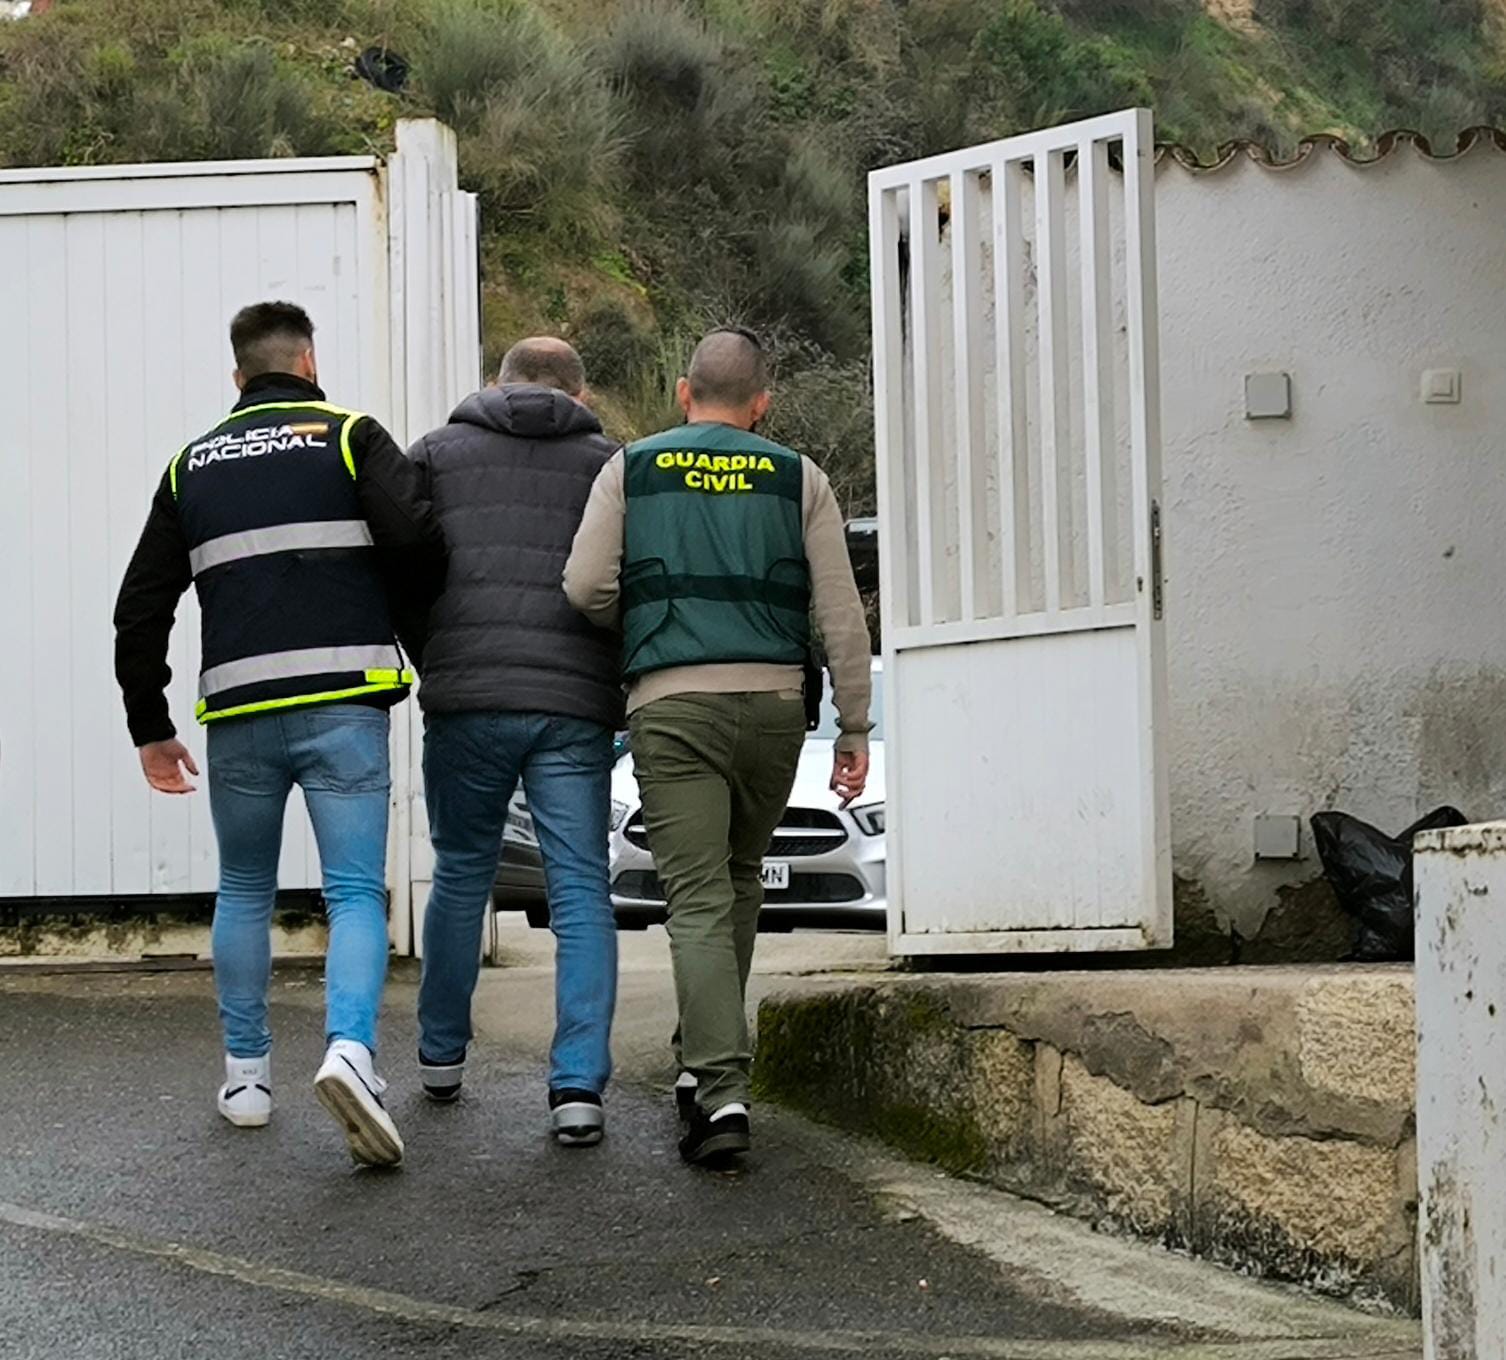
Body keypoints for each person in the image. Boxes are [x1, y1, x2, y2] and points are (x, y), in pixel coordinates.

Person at [112, 301, 443, 1168]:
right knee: (355, 892)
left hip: (241, 715)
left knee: (246, 890)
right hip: (344, 702)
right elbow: (417, 543)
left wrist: (151, 724)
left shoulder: (192, 465)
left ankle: (248, 1077)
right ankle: (352, 1055)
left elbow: (140, 605)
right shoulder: (351, 435)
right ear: (308, 361)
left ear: (238, 377)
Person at [564, 328, 872, 1165]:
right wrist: (853, 726)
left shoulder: (632, 468)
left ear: (681, 391)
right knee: (737, 885)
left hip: (673, 705)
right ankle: (703, 1072)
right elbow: (841, 614)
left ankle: (721, 1092)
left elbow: (585, 585)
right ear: (762, 404)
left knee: (696, 897)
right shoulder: (797, 476)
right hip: (775, 708)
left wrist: (650, 623)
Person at [409, 337, 622, 1147]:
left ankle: (439, 1058)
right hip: (572, 701)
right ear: (580, 389)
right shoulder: (611, 464)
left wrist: (433, 650)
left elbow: (406, 565)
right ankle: (575, 1089)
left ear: (495, 384)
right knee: (577, 889)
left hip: (467, 695)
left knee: (463, 873)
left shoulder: (435, 453)